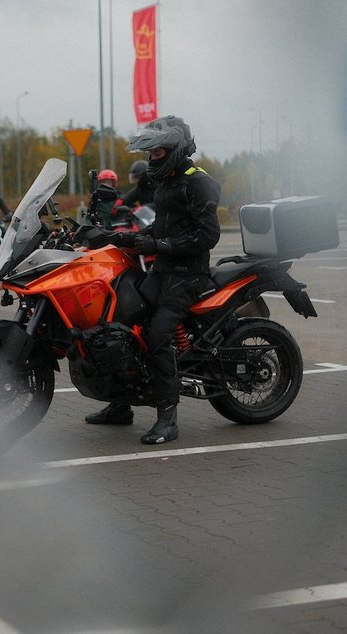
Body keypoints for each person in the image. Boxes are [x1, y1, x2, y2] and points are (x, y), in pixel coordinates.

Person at [85, 115, 221, 445]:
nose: (151, 159)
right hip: (163, 270)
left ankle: (168, 419)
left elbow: (208, 236)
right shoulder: (167, 179)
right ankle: (121, 405)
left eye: (157, 153)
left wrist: (158, 245)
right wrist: (118, 237)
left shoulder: (197, 182)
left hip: (189, 275)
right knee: (122, 324)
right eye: (150, 153)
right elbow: (161, 227)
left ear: (175, 150)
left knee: (159, 333)